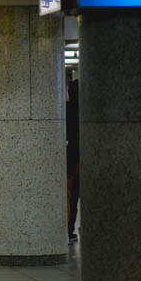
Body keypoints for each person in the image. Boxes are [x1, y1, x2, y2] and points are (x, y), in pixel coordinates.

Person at [67, 79, 80, 242]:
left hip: (71, 161)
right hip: (86, 159)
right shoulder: (90, 110)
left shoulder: (67, 110)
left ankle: (69, 229)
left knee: (71, 196)